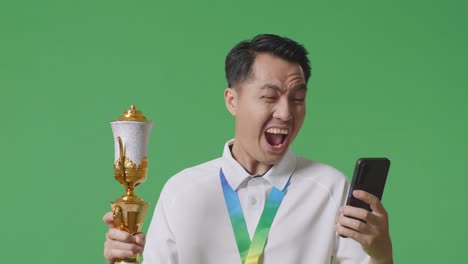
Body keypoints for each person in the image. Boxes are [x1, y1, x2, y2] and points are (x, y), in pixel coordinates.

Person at [103, 34, 393, 264]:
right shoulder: (181, 191)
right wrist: (121, 259)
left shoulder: (331, 189)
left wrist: (381, 255)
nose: (286, 112)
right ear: (232, 100)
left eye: (297, 98)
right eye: (269, 96)